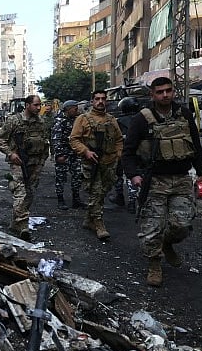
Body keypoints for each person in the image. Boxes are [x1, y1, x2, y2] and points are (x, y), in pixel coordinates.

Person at [121, 76, 202, 287]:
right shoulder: (142, 119)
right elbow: (128, 152)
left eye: (168, 90)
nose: (165, 95)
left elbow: (195, 146)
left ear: (173, 92)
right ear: (152, 94)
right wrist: (133, 175)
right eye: (160, 92)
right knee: (152, 227)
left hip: (181, 179)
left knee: (182, 224)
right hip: (155, 181)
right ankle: (154, 264)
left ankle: (167, 243)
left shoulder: (184, 114)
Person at [70, 91, 124, 241]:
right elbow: (74, 140)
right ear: (92, 101)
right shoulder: (83, 119)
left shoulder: (111, 120)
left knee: (101, 193)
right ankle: (99, 224)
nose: (100, 101)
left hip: (109, 163)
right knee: (95, 193)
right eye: (97, 99)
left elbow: (119, 139)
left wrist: (118, 154)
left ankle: (89, 219)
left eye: (103, 99)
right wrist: (85, 151)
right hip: (92, 164)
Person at [0, 94, 51, 240]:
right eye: (36, 105)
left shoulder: (42, 122)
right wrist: (11, 154)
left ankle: (16, 223)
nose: (39, 108)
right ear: (27, 105)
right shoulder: (14, 120)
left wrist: (43, 160)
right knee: (20, 193)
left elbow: (45, 141)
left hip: (36, 163)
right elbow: (1, 140)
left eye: (40, 105)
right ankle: (23, 225)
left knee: (30, 192)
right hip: (18, 162)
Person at [50, 100, 84, 211]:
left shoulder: (77, 120)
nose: (77, 110)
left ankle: (76, 200)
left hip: (75, 154)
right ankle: (60, 199)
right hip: (63, 154)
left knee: (77, 177)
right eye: (75, 108)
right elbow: (56, 139)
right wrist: (59, 154)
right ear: (69, 109)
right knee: (61, 178)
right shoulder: (60, 121)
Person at [110, 97, 140, 212]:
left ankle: (120, 197)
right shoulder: (142, 119)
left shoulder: (118, 121)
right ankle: (132, 202)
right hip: (137, 153)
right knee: (132, 176)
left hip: (121, 152)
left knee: (118, 176)